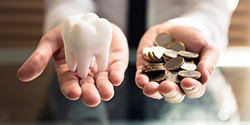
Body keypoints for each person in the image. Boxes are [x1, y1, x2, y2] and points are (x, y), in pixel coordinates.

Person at [17, 0, 240, 124]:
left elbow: (213, 5)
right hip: (91, 72)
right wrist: (70, 23)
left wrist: (196, 27)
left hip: (200, 102)